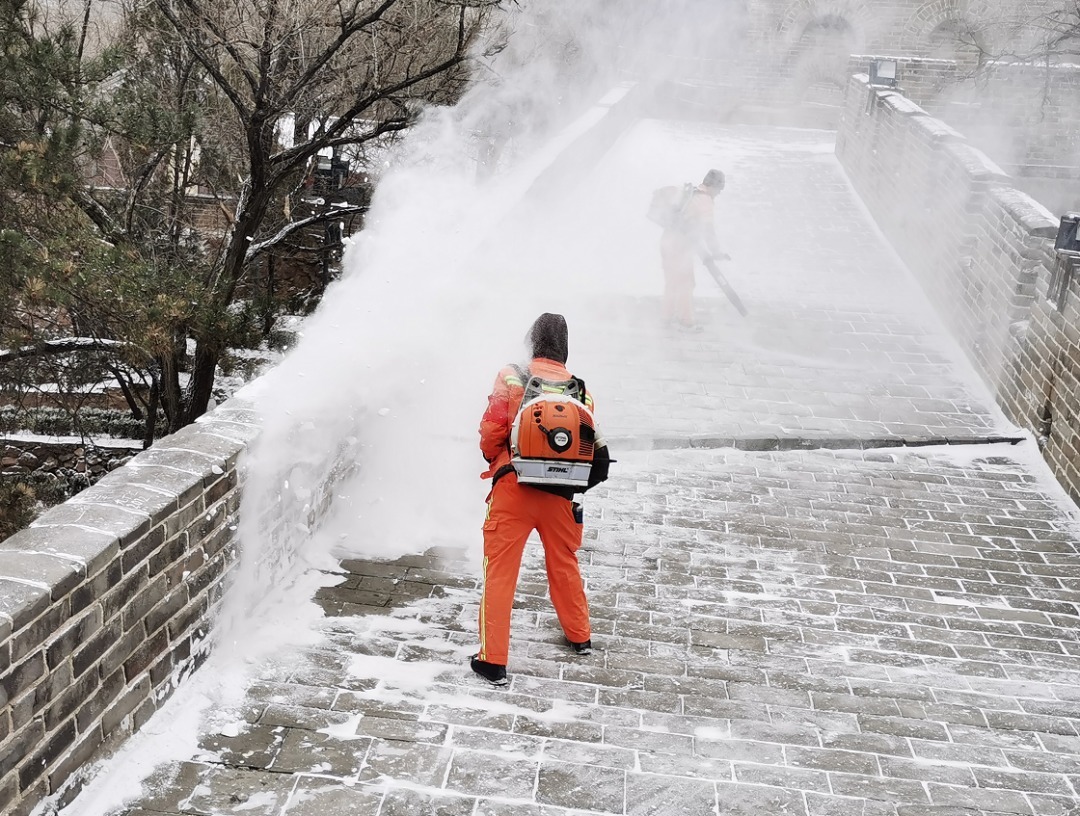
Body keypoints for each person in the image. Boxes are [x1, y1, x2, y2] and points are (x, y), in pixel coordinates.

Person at [471, 313, 611, 686]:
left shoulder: (512, 375)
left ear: (531, 340)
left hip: (513, 489)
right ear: (564, 347)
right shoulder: (579, 390)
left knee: (500, 572)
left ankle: (493, 661)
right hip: (560, 494)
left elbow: (491, 428)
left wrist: (496, 459)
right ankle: (580, 636)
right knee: (564, 564)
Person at [658, 168, 729, 331]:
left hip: (666, 241)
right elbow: (708, 230)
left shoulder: (690, 193)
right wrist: (716, 252)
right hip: (680, 246)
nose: (718, 194)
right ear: (713, 187)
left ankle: (666, 318)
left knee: (672, 282)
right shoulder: (705, 201)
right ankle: (686, 322)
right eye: (719, 190)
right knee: (686, 283)